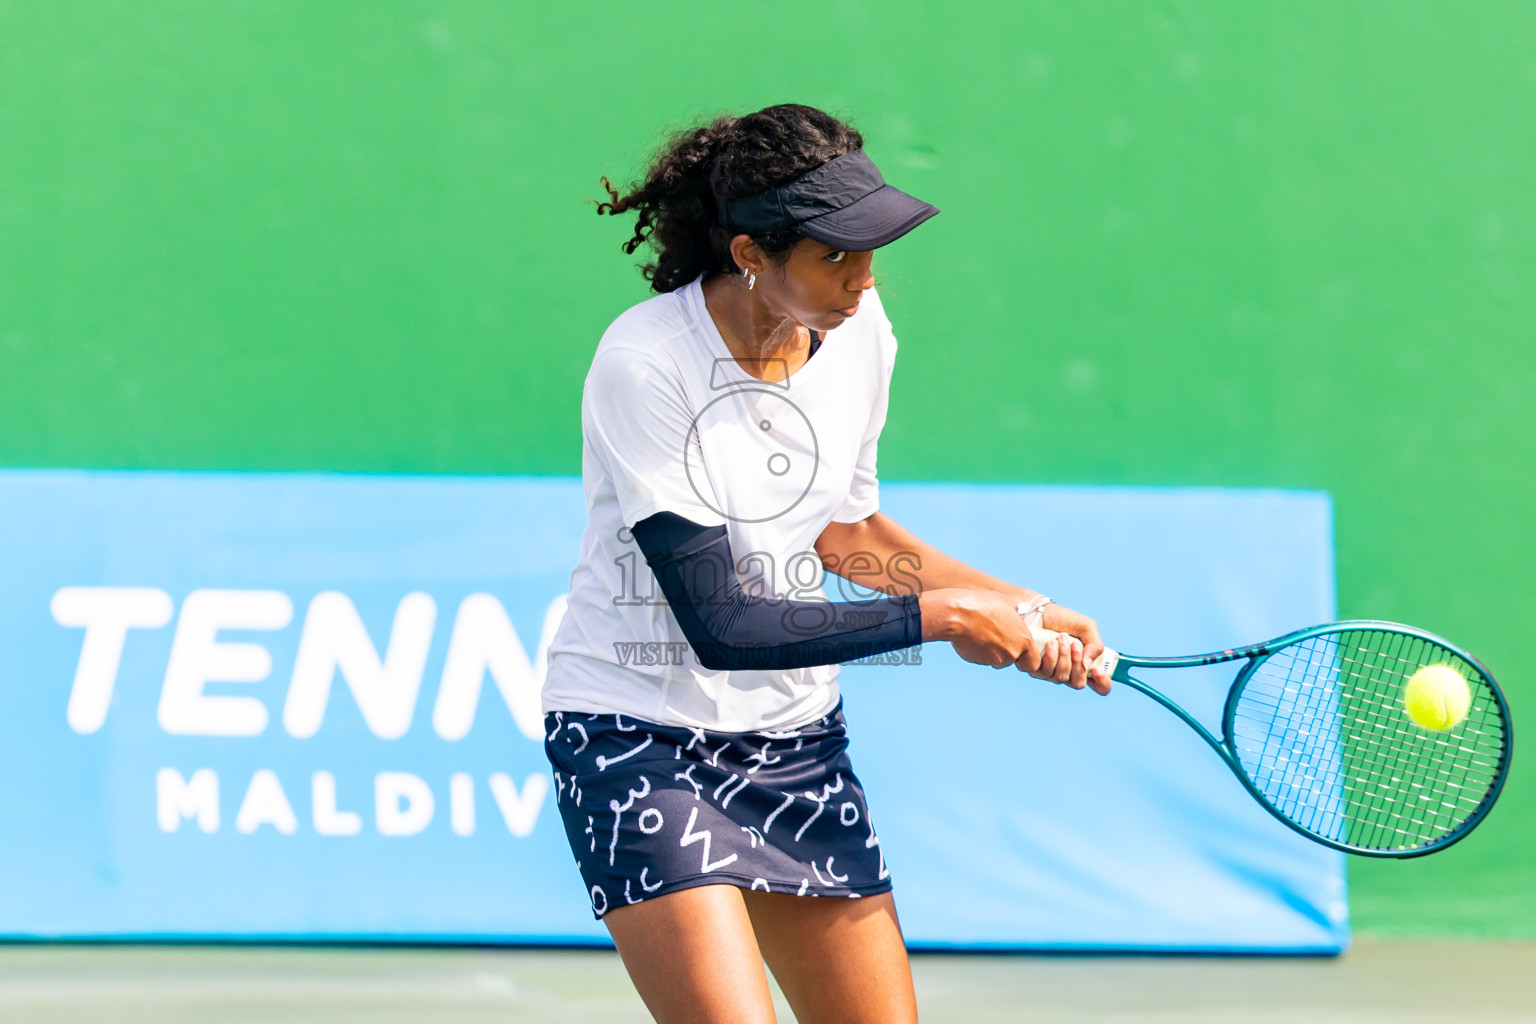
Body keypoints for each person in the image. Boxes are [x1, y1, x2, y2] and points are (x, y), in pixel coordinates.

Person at [541, 103, 1112, 1024]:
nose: (863, 278)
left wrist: (1020, 604)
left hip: (797, 741)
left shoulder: (860, 330)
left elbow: (847, 537)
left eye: (870, 252)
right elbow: (724, 625)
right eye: (835, 256)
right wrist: (953, 619)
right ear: (749, 256)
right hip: (638, 737)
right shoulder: (646, 365)